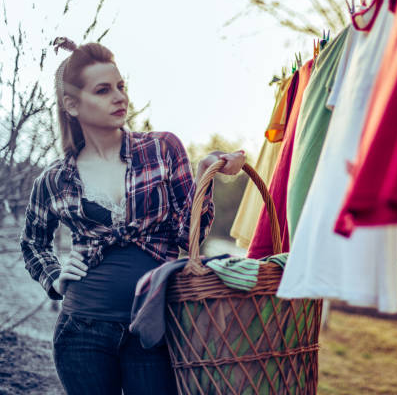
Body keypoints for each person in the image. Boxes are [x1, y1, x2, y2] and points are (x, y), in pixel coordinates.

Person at [19, 37, 246, 395]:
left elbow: (191, 233)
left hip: (154, 327)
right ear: (72, 105)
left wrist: (204, 174)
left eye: (121, 86)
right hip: (82, 331)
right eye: (104, 89)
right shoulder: (55, 178)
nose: (120, 97)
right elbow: (33, 242)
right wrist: (55, 277)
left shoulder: (161, 149)